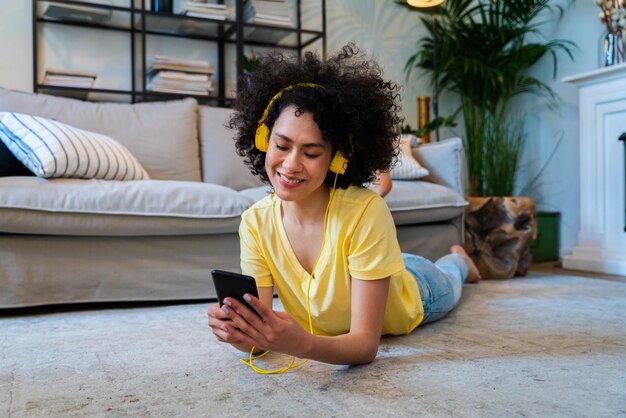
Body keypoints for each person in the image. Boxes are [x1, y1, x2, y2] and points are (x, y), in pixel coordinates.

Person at [207, 44, 481, 368]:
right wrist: (239, 332)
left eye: (311, 153)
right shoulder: (255, 222)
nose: (291, 165)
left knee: (450, 277)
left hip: (416, 289)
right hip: (375, 265)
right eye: (281, 145)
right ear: (264, 140)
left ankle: (461, 261)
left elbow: (365, 346)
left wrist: (302, 343)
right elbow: (261, 335)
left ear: (337, 158)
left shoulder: (366, 212)